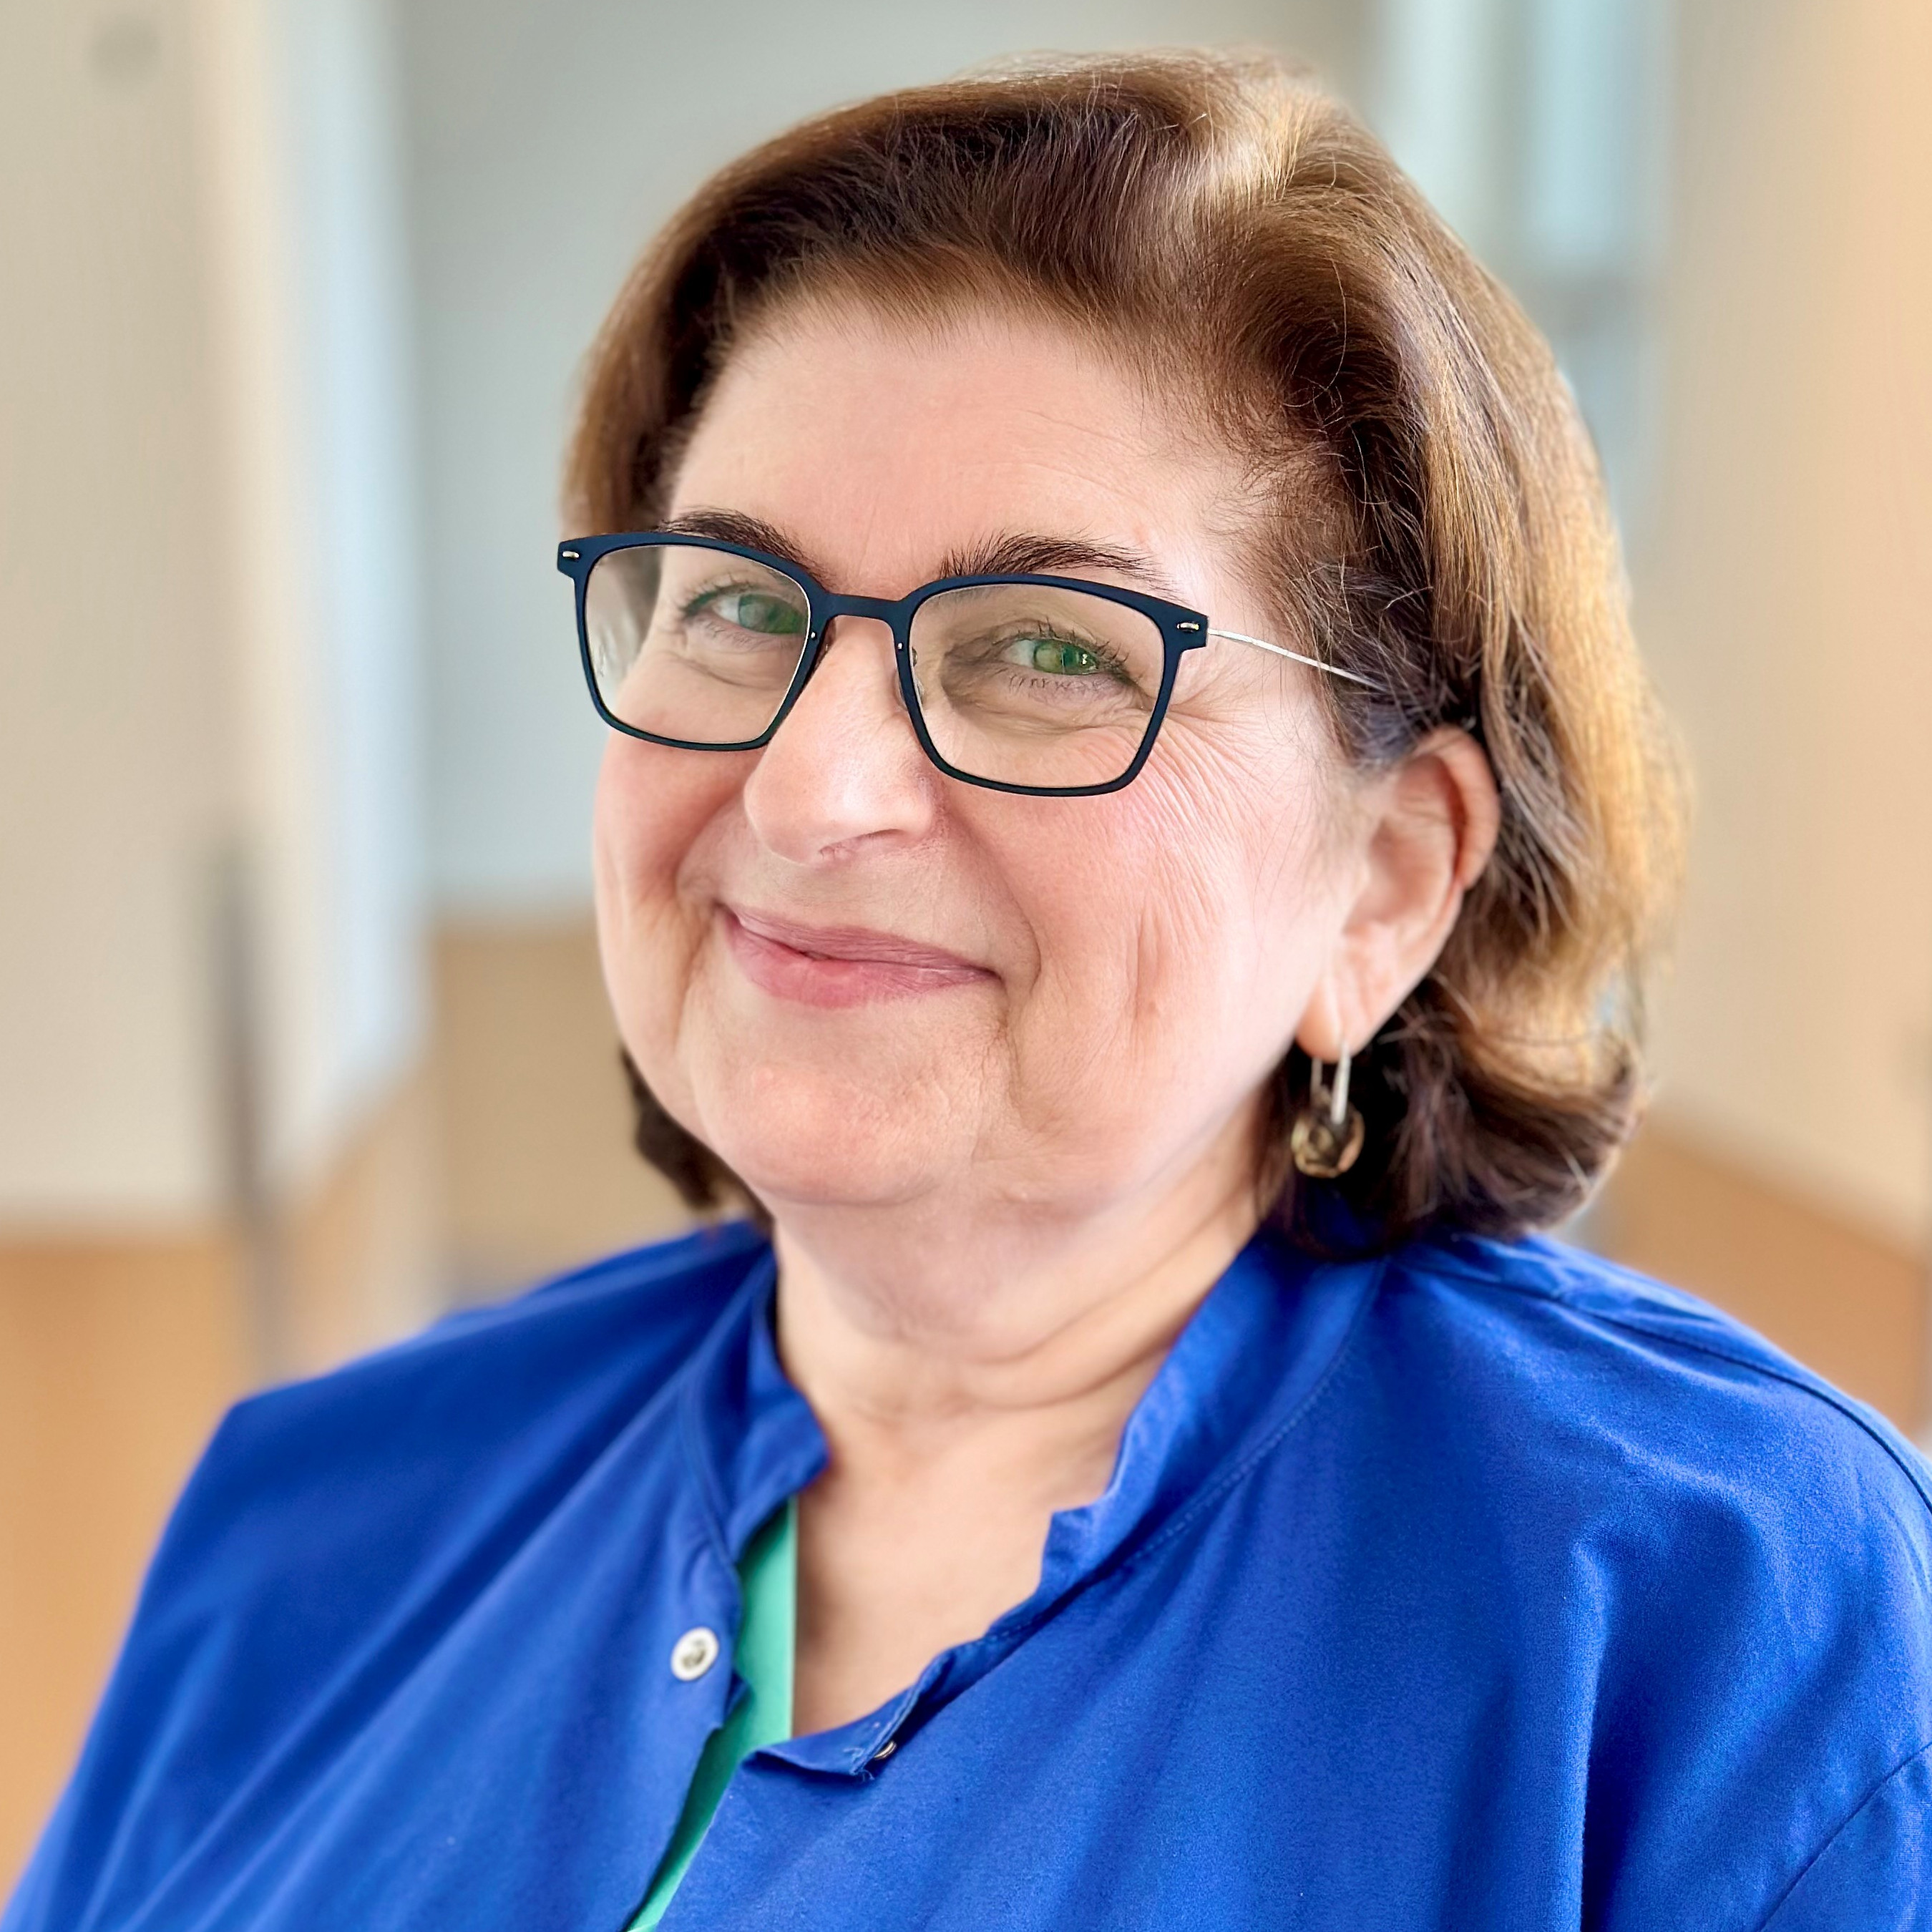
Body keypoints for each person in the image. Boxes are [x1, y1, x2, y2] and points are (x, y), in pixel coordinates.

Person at [9, 51, 1929, 1932]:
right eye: (738, 605)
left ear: (1386, 881)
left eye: (1047, 650)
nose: (808, 792)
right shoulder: (321, 1518)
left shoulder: (1737, 1625)